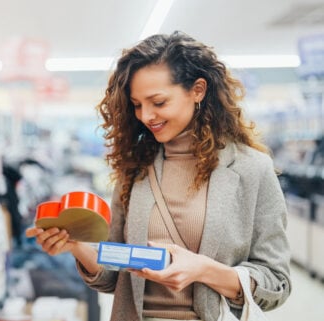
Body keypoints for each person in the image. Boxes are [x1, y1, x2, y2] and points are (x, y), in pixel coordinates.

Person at [25, 31, 291, 321]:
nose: (145, 116)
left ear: (198, 90)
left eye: (159, 102)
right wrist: (75, 247)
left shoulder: (251, 169)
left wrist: (204, 270)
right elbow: (113, 278)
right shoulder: (135, 167)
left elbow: (276, 283)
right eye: (137, 104)